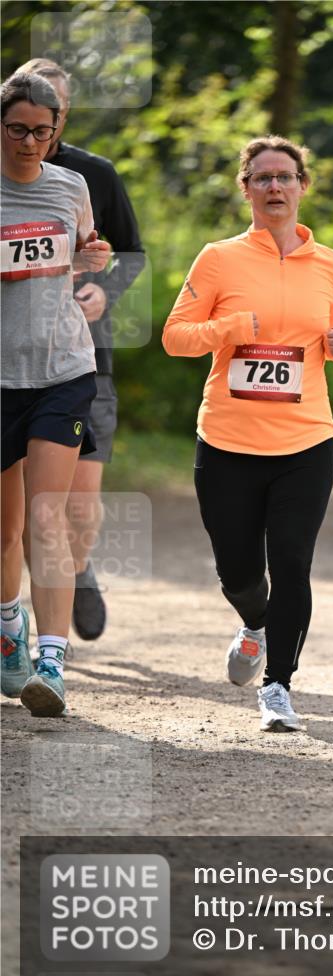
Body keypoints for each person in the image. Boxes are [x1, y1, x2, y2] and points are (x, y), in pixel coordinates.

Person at [163, 135, 333, 732]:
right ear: (246, 188)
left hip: (306, 440)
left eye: (285, 177)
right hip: (227, 442)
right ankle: (253, 625)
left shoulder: (331, 263)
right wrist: (226, 328)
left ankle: (278, 687)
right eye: (263, 178)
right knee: (239, 573)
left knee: (292, 564)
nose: (275, 187)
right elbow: (175, 336)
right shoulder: (218, 258)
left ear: (303, 186)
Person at [17, 58, 146, 643]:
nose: (43, 129)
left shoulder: (91, 175)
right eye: (28, 118)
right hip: (10, 361)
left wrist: (102, 288)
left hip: (83, 356)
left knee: (77, 502)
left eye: (55, 114)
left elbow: (130, 253)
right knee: (22, 509)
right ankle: (21, 626)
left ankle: (79, 566)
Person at [1, 72, 110, 716]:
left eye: (45, 131)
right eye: (18, 129)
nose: (31, 142)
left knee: (47, 515)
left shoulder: (72, 185)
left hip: (62, 369)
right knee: (5, 530)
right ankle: (9, 627)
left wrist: (89, 260)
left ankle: (52, 662)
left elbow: (74, 254)